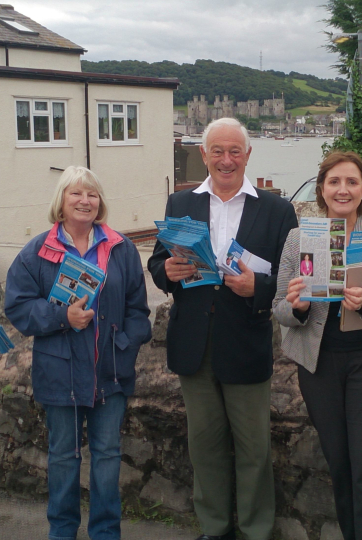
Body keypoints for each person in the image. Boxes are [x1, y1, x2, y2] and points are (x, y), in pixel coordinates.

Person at [147, 117, 297, 540]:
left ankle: (255, 530)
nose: (226, 160)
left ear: (248, 155)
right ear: (203, 154)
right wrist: (168, 270)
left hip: (246, 342)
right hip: (193, 341)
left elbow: (290, 283)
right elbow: (157, 265)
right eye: (218, 151)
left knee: (254, 449)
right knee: (205, 447)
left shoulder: (277, 210)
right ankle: (214, 529)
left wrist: (258, 286)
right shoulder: (181, 204)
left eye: (235, 151)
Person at [273, 151, 362, 540]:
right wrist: (297, 306)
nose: (343, 189)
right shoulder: (298, 238)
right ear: (321, 190)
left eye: (352, 181)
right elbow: (279, 308)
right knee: (339, 465)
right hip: (318, 365)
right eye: (334, 181)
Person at [5, 166, 151, 540]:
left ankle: (105, 532)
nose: (85, 201)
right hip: (61, 372)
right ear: (61, 201)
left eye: (92, 194)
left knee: (106, 457)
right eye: (76, 194)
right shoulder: (37, 251)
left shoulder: (121, 247)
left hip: (111, 371)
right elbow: (18, 308)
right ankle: (63, 532)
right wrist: (62, 317)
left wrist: (128, 345)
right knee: (63, 459)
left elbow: (138, 309)